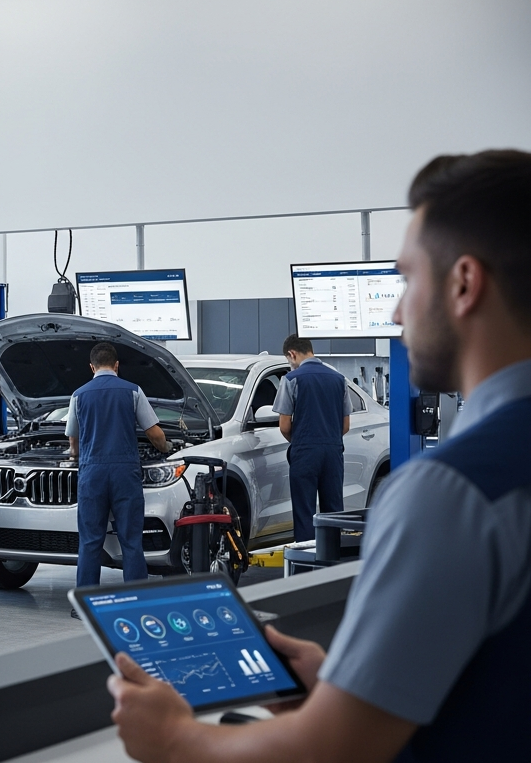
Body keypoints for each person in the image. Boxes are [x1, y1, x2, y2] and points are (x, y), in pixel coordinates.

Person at [108, 149, 531, 762]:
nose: (396, 312)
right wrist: (350, 680)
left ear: (464, 284)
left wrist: (175, 739)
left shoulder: (452, 493)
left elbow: (334, 748)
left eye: (408, 280)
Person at [67, 342, 171, 600]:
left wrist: (77, 457)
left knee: (90, 541)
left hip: (92, 474)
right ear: (116, 365)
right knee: (131, 540)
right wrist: (166, 448)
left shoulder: (78, 395)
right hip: (125, 474)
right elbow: (154, 433)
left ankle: (87, 602)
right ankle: (136, 600)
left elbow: (73, 441)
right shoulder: (133, 391)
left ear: (91, 367)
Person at [273, 334, 353, 541]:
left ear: (292, 354)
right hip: (333, 451)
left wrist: (301, 441)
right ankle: (333, 556)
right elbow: (345, 426)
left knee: (304, 512)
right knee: (334, 511)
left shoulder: (291, 379)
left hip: (304, 451)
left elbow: (284, 426)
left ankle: (306, 557)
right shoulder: (339, 379)